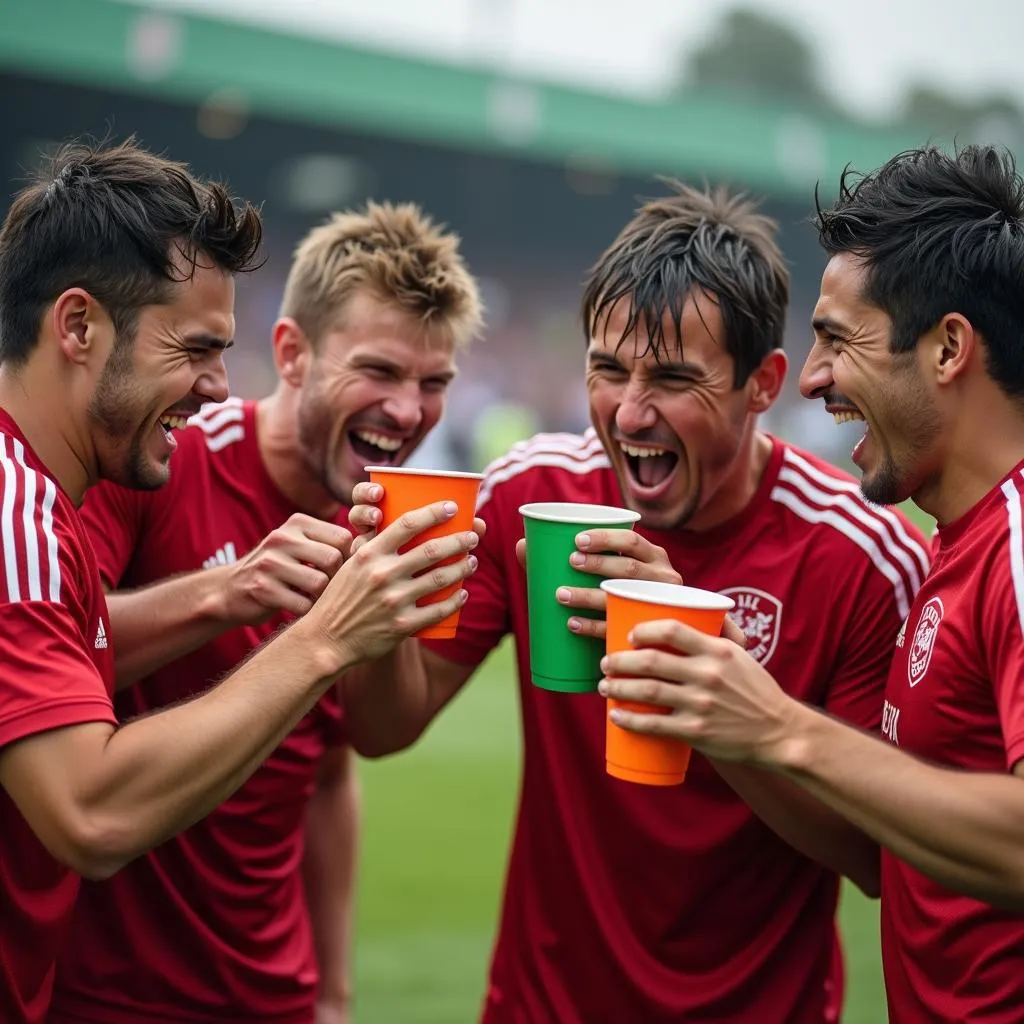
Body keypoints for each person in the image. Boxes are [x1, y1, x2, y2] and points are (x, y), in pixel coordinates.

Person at [343, 182, 930, 1022]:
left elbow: (877, 861)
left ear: (763, 384)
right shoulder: (531, 494)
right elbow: (382, 728)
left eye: (674, 378)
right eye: (607, 369)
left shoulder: (860, 557)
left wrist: (707, 683)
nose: (628, 409)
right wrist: (380, 606)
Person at [0, 139, 478, 1024]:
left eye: (435, 382)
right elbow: (87, 803)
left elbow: (347, 757)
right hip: (111, 994)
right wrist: (278, 615)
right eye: (377, 370)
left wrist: (332, 991)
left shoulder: (52, 494)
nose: (408, 410)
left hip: (272, 993)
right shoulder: (59, 498)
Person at [597, 145, 1024, 1022]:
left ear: (948, 348)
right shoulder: (953, 548)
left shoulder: (1016, 549)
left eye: (838, 339)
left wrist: (777, 727)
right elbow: (894, 856)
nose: (817, 377)